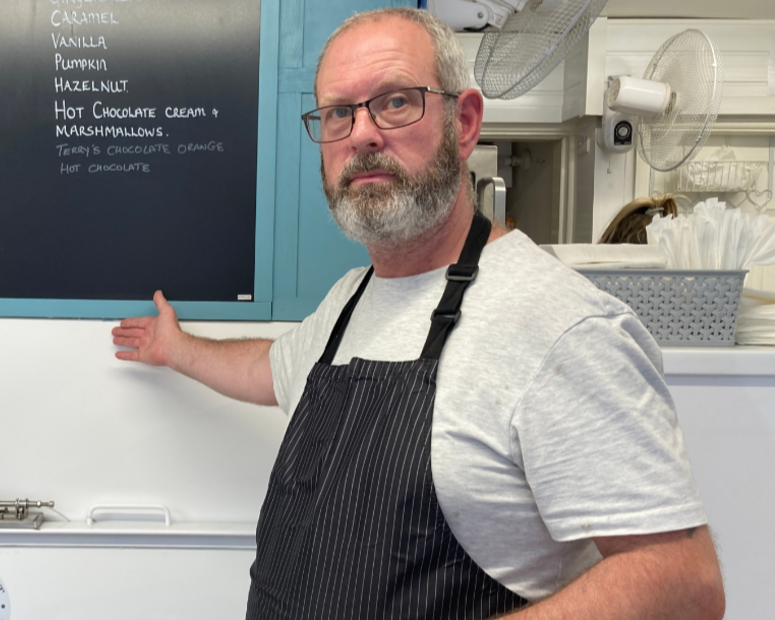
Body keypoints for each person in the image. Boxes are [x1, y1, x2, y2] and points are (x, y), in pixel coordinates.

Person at [112, 8, 724, 620]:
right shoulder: (351, 299)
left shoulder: (562, 325)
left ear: (464, 123)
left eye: (396, 102)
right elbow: (271, 370)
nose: (362, 134)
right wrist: (177, 348)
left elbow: (682, 584)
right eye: (338, 112)